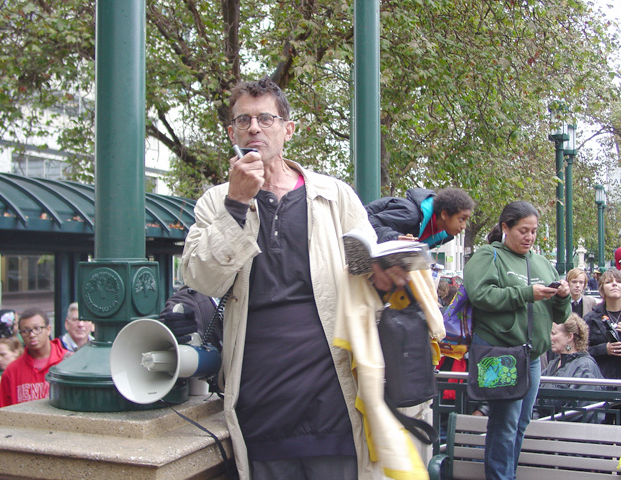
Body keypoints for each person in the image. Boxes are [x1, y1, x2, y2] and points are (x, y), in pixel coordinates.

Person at [181, 77, 406, 480]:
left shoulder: (335, 196)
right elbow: (202, 279)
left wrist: (391, 274)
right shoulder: (216, 201)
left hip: (333, 398)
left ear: (288, 129)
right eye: (243, 121)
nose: (253, 128)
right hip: (260, 401)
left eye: (265, 118)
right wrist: (236, 203)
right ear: (232, 132)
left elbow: (367, 273)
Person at [463, 201, 571, 480]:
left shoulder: (541, 262)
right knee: (504, 425)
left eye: (534, 231)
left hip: (533, 356)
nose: (530, 237)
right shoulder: (488, 256)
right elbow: (480, 295)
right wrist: (526, 293)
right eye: (523, 230)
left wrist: (563, 297)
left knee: (521, 423)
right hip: (498, 353)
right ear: (504, 228)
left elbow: (560, 314)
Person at [584, 268, 621, 423]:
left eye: (619, 282)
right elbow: (582, 350)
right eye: (609, 282)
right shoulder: (591, 318)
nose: (614, 285)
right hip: (601, 385)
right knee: (601, 433)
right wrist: (604, 349)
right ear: (602, 289)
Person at [535, 315, 604, 423]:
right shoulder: (554, 364)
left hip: (568, 434)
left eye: (553, 333)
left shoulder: (585, 366)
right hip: (544, 429)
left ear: (569, 337)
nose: (549, 337)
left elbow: (582, 411)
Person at [0, 308, 71, 407]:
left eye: (37, 329)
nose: (32, 335)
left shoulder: (69, 362)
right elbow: (4, 412)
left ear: (48, 329)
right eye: (25, 331)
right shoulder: (12, 371)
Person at [365, 187, 474, 248]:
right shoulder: (410, 214)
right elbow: (367, 224)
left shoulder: (440, 236)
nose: (464, 226)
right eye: (461, 219)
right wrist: (395, 237)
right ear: (444, 214)